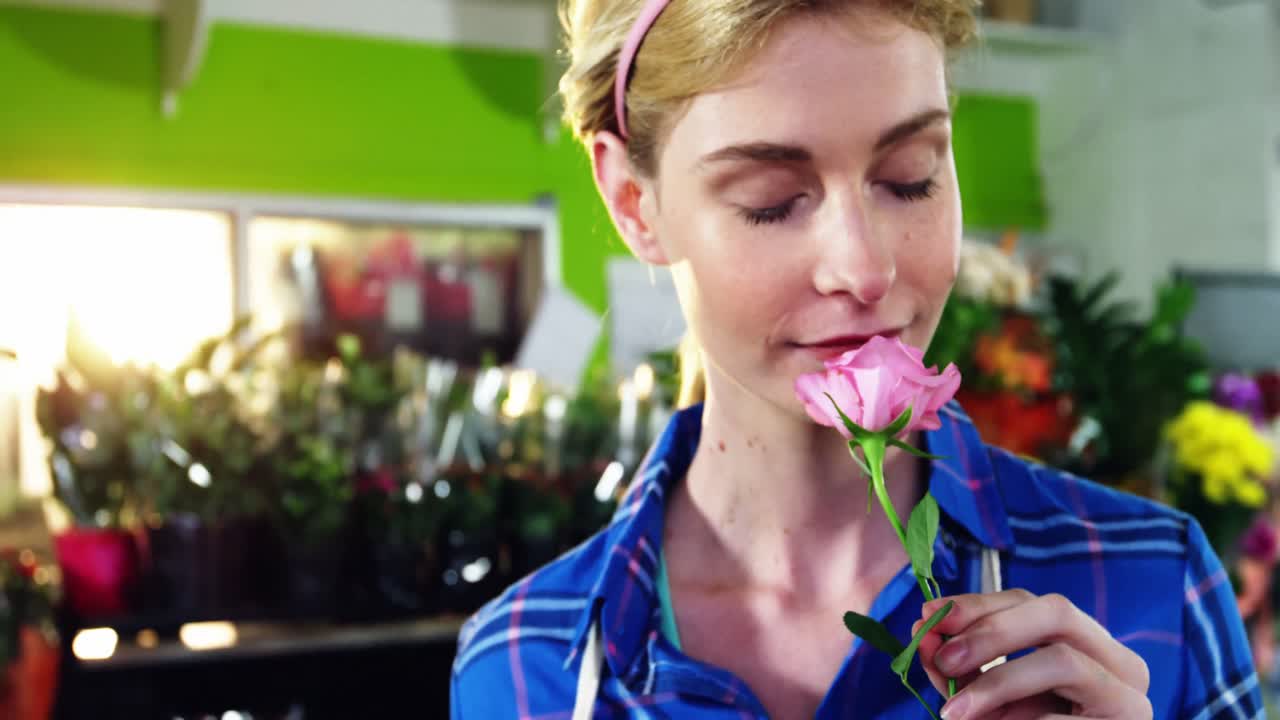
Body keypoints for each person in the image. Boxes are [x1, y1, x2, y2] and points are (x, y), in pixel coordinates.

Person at [450, 1, 1262, 717]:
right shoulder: (521, 668)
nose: (865, 269)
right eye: (771, 202)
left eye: (910, 180)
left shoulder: (1156, 585)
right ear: (635, 203)